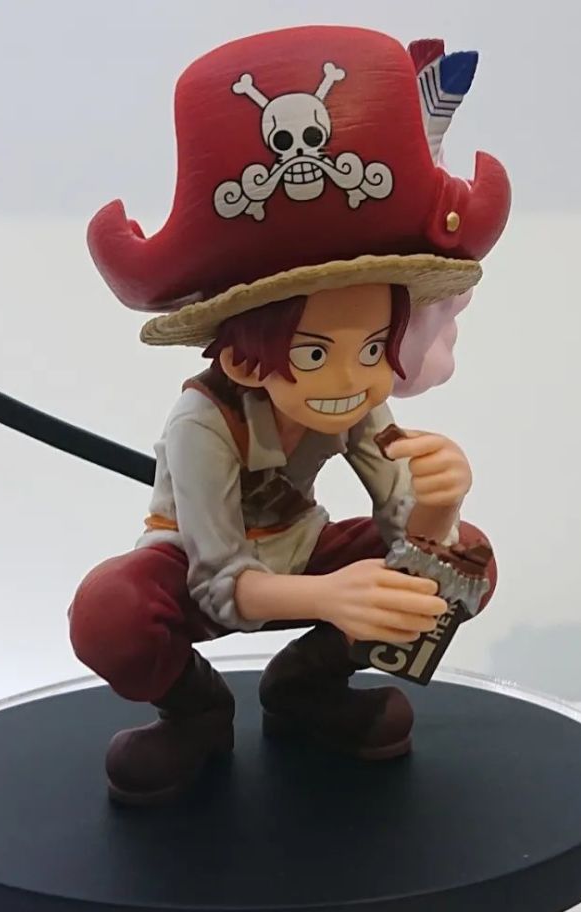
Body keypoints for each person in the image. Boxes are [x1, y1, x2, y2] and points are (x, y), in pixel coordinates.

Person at [68, 25, 511, 803]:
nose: (352, 378)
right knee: (110, 611)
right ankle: (195, 711)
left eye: (372, 347)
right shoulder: (202, 422)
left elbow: (412, 539)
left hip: (302, 552)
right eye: (312, 352)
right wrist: (328, 598)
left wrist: (439, 507)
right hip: (202, 572)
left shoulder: (356, 400)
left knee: (470, 559)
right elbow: (219, 584)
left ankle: (307, 687)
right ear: (243, 360)